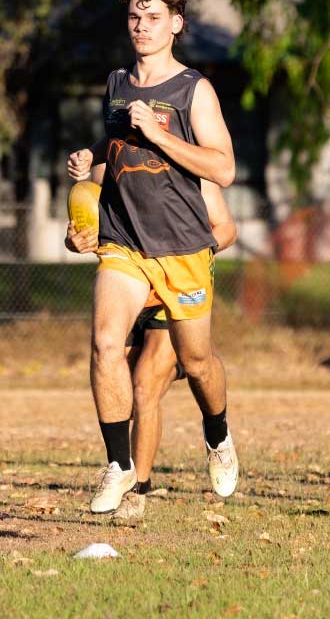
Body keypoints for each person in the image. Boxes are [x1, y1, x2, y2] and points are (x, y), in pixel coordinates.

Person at [67, 0, 238, 514]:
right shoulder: (118, 84)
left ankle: (217, 432)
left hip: (184, 249)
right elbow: (117, 150)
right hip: (124, 244)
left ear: (176, 25)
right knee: (105, 343)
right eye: (135, 16)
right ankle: (119, 466)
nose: (141, 26)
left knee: (198, 362)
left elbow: (223, 168)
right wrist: (91, 159)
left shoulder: (195, 90)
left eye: (153, 17)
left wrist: (160, 133)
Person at [67, 176, 238, 517]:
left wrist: (182, 251)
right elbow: (95, 225)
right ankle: (121, 469)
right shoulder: (112, 165)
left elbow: (226, 229)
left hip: (171, 293)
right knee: (121, 384)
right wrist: (77, 241)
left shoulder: (189, 165)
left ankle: (138, 492)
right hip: (128, 291)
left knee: (147, 387)